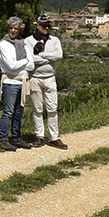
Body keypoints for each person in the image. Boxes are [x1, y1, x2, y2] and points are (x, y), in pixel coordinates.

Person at [25, 15, 67, 149]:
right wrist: (50, 58)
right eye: (44, 25)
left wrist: (41, 55)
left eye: (48, 25)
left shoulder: (54, 40)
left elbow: (59, 55)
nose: (47, 28)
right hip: (35, 77)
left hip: (50, 77)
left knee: (52, 108)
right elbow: (30, 59)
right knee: (37, 109)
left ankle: (54, 137)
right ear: (37, 25)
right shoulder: (28, 41)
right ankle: (40, 136)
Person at [0, 16, 31, 151]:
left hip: (21, 82)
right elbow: (10, 66)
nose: (13, 31)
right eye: (11, 28)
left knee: (18, 112)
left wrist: (24, 63)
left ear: (20, 30)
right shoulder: (4, 44)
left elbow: (31, 63)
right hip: (10, 82)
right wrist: (25, 61)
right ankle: (3, 140)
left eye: (16, 28)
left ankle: (16, 138)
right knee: (8, 112)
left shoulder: (22, 43)